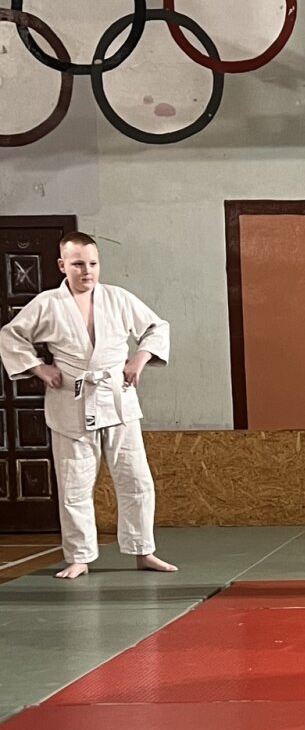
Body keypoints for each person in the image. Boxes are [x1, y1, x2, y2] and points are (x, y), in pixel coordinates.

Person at [0, 232, 176, 581]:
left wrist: (139, 359)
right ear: (62, 265)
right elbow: (11, 336)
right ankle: (79, 556)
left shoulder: (118, 298)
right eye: (78, 264)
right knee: (74, 485)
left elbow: (157, 328)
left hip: (117, 398)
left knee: (136, 479)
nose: (87, 271)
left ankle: (143, 550)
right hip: (71, 400)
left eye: (93, 263)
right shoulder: (48, 303)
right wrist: (40, 369)